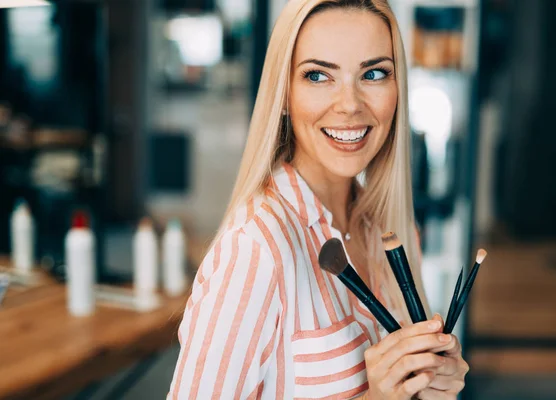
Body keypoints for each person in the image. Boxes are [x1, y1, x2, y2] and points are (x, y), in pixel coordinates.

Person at [168, 0, 469, 398]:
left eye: (374, 73)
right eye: (317, 76)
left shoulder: (394, 232)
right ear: (284, 96)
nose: (349, 104)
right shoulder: (256, 249)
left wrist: (429, 386)